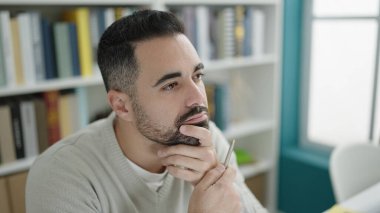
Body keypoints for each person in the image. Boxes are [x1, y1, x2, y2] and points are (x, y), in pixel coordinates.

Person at [26, 9, 267, 213]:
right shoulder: (60, 176)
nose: (198, 98)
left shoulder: (208, 140)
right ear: (121, 105)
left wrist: (220, 187)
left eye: (197, 76)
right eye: (170, 85)